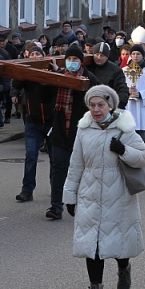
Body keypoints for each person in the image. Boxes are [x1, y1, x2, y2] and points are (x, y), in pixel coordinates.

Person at [62, 85, 145, 289]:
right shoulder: (84, 129)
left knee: (117, 244)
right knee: (93, 245)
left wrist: (123, 150)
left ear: (110, 105)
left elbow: (142, 157)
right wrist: (69, 196)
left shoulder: (124, 129)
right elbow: (76, 164)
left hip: (117, 193)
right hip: (90, 192)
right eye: (92, 105)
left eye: (101, 104)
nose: (96, 109)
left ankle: (123, 267)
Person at [47, 44, 97, 221]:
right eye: (69, 59)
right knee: (58, 169)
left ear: (81, 62)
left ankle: (80, 204)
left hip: (81, 134)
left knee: (81, 172)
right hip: (60, 132)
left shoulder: (90, 80)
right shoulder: (58, 78)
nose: (71, 62)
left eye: (75, 59)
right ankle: (56, 206)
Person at [12, 42, 55, 201]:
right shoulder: (27, 74)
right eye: (32, 55)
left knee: (55, 158)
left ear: (44, 57)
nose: (35, 57)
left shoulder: (52, 73)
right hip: (33, 122)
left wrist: (51, 73)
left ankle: (56, 188)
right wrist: (22, 74)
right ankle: (27, 190)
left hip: (51, 122)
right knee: (31, 156)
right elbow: (16, 83)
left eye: (38, 55)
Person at [84, 43, 130, 110]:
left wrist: (118, 106)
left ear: (107, 57)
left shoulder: (116, 70)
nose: (99, 57)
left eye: (102, 55)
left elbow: (122, 89)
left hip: (107, 106)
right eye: (96, 54)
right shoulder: (87, 67)